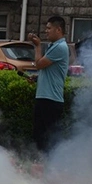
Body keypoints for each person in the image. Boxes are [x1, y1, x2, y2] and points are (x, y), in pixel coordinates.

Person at [27, 16, 69, 153]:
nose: (46, 31)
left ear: (59, 29)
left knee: (49, 139)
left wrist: (37, 46)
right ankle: (40, 166)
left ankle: (51, 168)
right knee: (39, 136)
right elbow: (49, 71)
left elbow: (39, 64)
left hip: (51, 100)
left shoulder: (60, 47)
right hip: (44, 97)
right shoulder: (54, 46)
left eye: (49, 28)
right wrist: (38, 78)